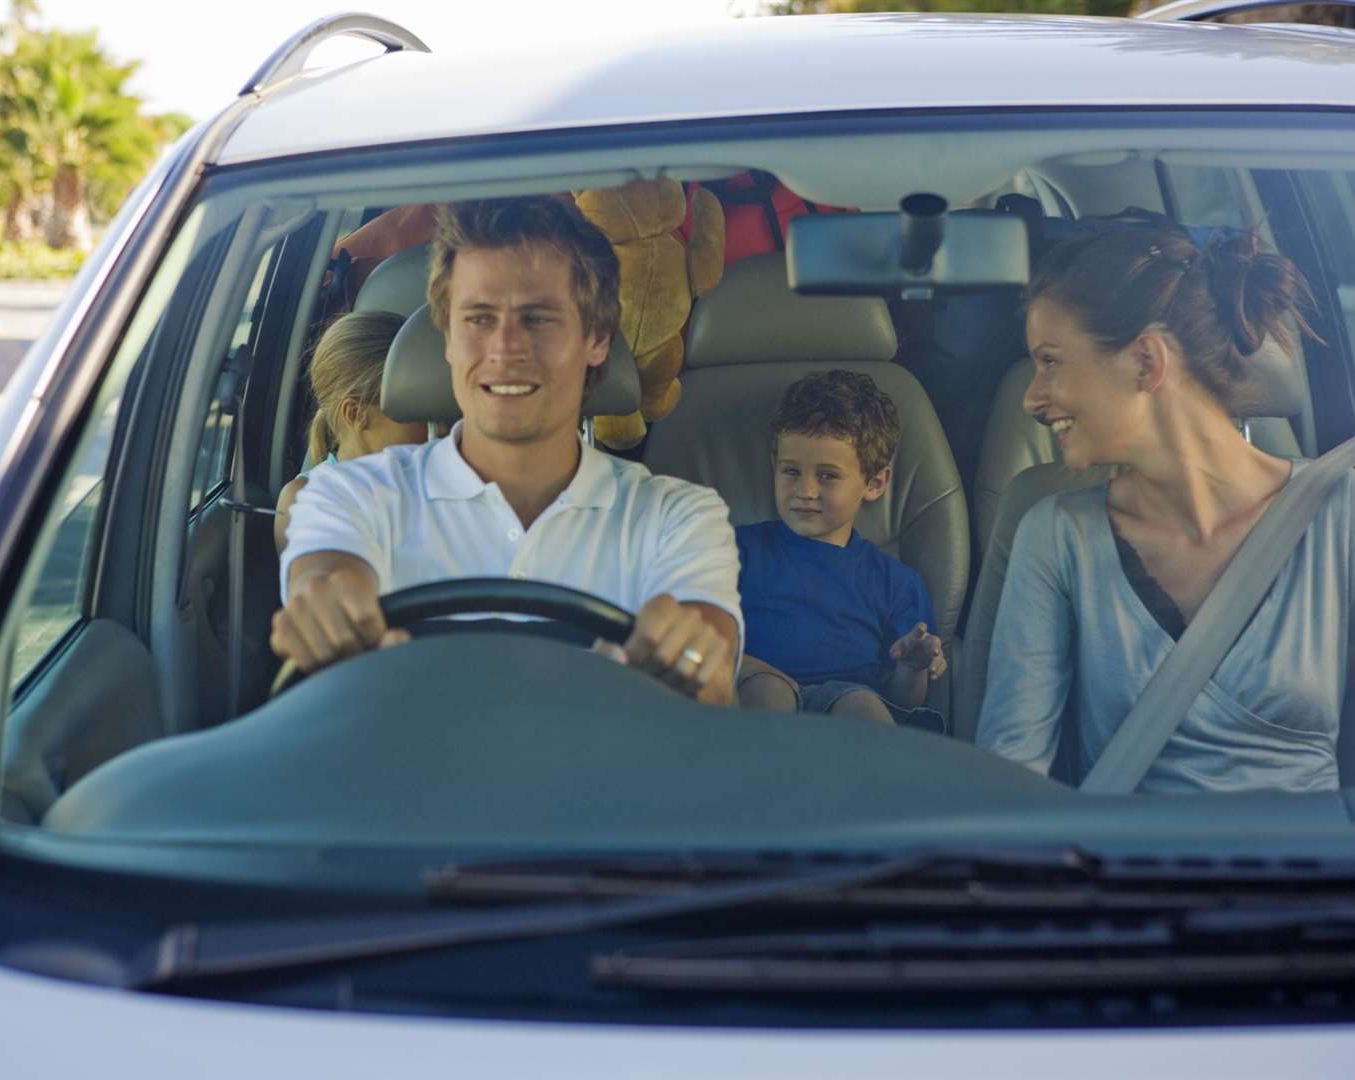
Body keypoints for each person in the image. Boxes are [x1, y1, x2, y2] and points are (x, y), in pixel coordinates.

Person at [272, 196, 742, 705]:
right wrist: (329, 607)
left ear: (598, 339)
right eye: (478, 318)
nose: (505, 349)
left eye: (538, 318)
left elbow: (709, 654)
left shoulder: (679, 517)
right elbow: (324, 571)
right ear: (447, 338)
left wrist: (690, 656)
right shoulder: (347, 495)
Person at [976, 223, 1345, 793]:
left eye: (1050, 362)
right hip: (1128, 876)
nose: (1032, 397)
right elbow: (1009, 782)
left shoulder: (1339, 518)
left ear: (1146, 362)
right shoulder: (1057, 537)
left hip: (1312, 876)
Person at [733, 371, 946, 722]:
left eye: (827, 476)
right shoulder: (734, 551)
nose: (806, 491)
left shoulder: (896, 583)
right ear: (774, 467)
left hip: (850, 701)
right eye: (791, 472)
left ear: (875, 482)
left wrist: (912, 666)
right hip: (752, 695)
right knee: (767, 693)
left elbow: (905, 702)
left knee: (862, 707)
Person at [273, 310, 427, 553]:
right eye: (416, 412)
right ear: (356, 413)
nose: (437, 426)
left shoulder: (438, 475)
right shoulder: (304, 500)